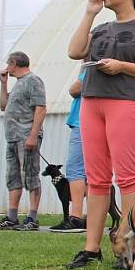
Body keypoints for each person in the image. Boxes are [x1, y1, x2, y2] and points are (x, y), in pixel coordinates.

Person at [65, 0, 135, 268]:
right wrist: (89, 14)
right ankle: (91, 248)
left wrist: (121, 65)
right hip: (91, 104)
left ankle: (127, 245)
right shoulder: (100, 28)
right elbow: (74, 52)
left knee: (127, 176)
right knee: (96, 179)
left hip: (124, 103)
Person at [0, 52, 46, 231]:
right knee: (13, 177)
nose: (7, 67)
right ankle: (12, 217)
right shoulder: (17, 84)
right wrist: (4, 84)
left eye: (9, 63)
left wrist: (32, 136)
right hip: (13, 138)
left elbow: (41, 109)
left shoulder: (33, 81)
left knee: (30, 175)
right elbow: (4, 105)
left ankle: (32, 218)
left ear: (14, 63)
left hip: (26, 137)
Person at [48, 69, 88, 233]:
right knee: (93, 171)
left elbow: (74, 90)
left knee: (75, 169)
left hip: (82, 122)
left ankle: (76, 218)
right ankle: (91, 218)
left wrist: (83, 67)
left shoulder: (92, 66)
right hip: (91, 121)